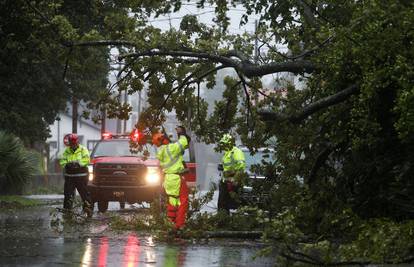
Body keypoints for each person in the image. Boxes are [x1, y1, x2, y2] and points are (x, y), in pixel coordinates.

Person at [153, 126, 190, 230]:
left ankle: (171, 223)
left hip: (168, 180)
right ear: (164, 140)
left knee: (173, 201)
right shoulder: (171, 148)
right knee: (183, 202)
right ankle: (179, 225)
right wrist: (181, 133)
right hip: (176, 178)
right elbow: (183, 142)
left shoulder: (160, 152)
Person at [59, 133, 93, 217]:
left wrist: (78, 164)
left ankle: (88, 211)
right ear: (70, 143)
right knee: (68, 195)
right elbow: (62, 161)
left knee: (85, 195)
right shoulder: (66, 151)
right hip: (70, 178)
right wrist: (67, 164)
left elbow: (87, 160)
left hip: (81, 177)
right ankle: (67, 212)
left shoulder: (83, 149)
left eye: (74, 143)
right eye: (71, 143)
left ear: (77, 142)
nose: (73, 145)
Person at [217, 133, 246, 214]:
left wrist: (234, 179)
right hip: (225, 182)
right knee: (222, 204)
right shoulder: (226, 153)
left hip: (232, 182)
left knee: (234, 204)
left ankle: (227, 220)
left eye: (223, 143)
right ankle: (223, 220)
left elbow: (240, 167)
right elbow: (225, 168)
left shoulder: (236, 152)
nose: (222, 145)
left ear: (228, 143)